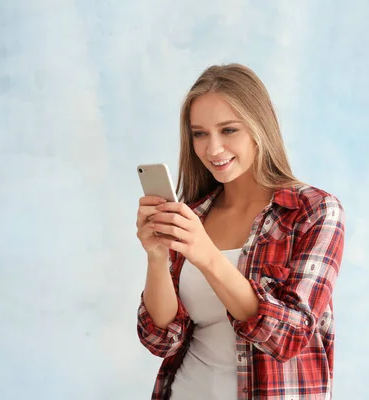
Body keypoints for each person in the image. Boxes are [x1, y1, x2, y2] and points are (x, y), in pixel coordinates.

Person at [135, 63, 345, 400]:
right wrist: (157, 257)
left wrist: (207, 256)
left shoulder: (314, 211)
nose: (212, 148)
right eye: (199, 133)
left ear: (259, 127)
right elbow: (161, 338)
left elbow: (289, 336)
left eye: (228, 130)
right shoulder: (194, 215)